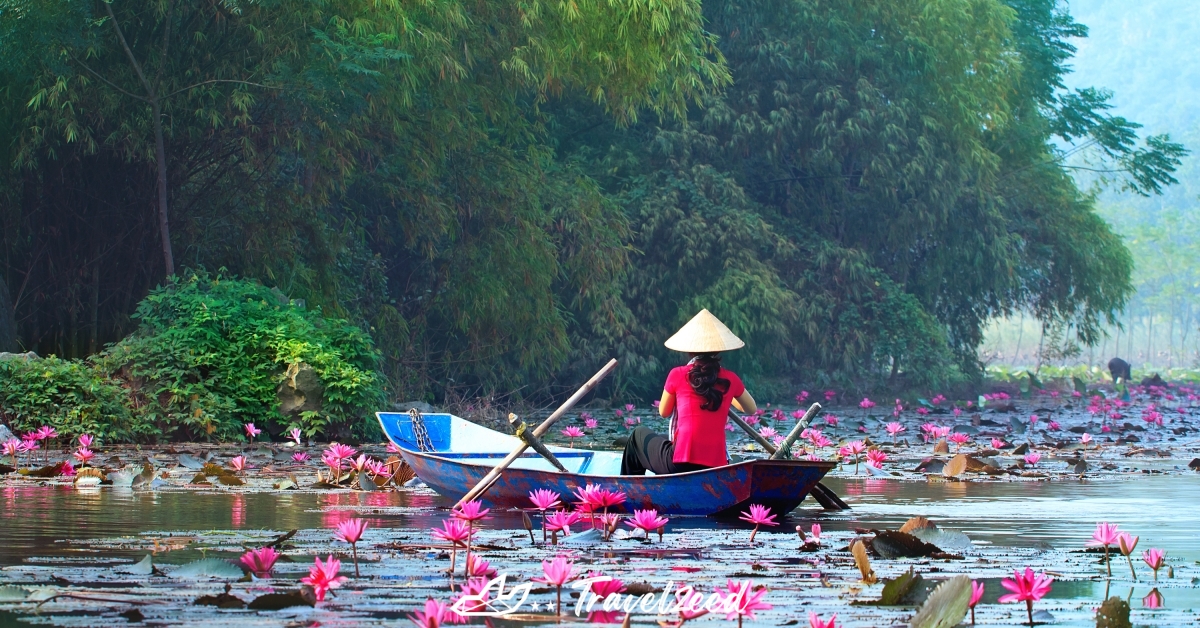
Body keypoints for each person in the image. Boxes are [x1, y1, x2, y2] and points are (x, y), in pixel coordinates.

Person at [620, 309, 757, 475]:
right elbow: (750, 409)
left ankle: (632, 490)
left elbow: (664, 412)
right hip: (716, 466)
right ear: (718, 350)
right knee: (664, 438)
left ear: (689, 350)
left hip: (681, 463)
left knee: (637, 436)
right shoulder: (730, 380)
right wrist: (727, 393)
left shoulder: (677, 374)